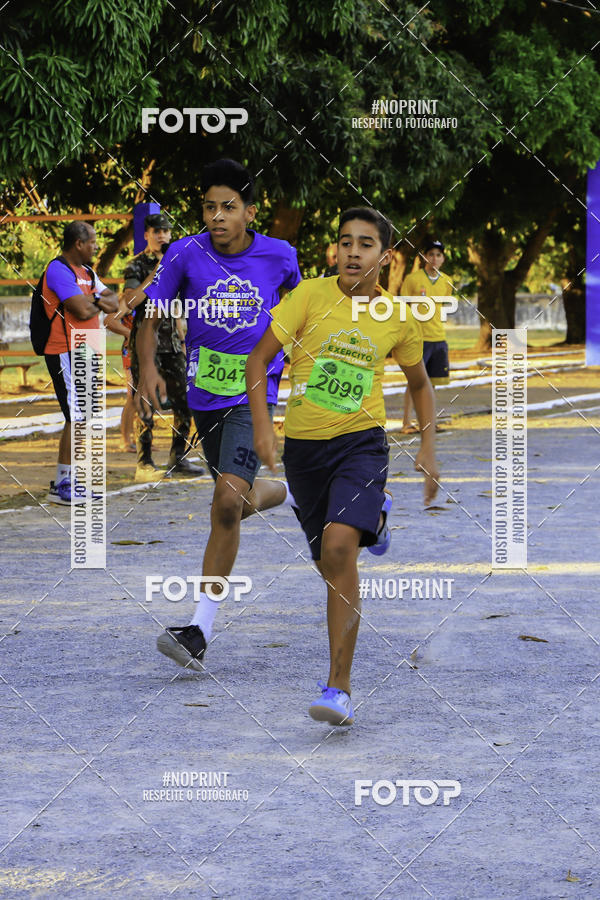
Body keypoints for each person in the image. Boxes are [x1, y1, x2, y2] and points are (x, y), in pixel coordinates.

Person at [246, 207, 439, 727]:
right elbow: (258, 360)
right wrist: (264, 427)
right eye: (345, 242)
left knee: (337, 548)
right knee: (331, 567)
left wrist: (428, 446)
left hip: (362, 444)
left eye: (366, 244)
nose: (354, 251)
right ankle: (373, 519)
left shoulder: (398, 317)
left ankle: (339, 687)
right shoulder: (308, 295)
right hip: (304, 452)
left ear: (385, 256)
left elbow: (419, 384)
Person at [135, 159, 302, 670]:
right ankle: (293, 492)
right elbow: (152, 311)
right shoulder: (186, 253)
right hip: (204, 394)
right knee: (232, 501)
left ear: (250, 211)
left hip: (256, 393)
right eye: (209, 207)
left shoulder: (280, 256)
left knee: (226, 500)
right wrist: (146, 370)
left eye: (228, 207)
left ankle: (198, 630)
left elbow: (300, 309)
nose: (217, 216)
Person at [121, 212, 203, 481]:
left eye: (166, 232)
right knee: (146, 402)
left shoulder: (177, 265)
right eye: (156, 232)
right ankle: (143, 463)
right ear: (146, 235)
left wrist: (182, 338)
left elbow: (178, 306)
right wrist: (157, 273)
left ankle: (177, 458)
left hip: (171, 344)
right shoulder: (136, 266)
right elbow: (131, 300)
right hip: (146, 344)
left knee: (185, 402)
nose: (162, 236)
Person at [42, 222, 119, 504]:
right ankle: (63, 485)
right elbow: (81, 308)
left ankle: (68, 481)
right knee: (75, 415)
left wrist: (93, 298)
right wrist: (96, 300)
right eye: (93, 242)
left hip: (87, 347)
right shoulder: (58, 269)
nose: (96, 247)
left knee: (83, 416)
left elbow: (114, 300)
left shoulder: (87, 273)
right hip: (64, 348)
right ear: (78, 243)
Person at [401, 239, 453, 433]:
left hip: (438, 336)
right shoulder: (412, 279)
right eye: (430, 254)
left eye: (438, 255)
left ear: (443, 259)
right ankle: (407, 422)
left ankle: (429, 422)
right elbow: (404, 307)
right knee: (414, 381)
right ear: (423, 257)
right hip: (418, 338)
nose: (434, 258)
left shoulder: (447, 281)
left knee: (433, 382)